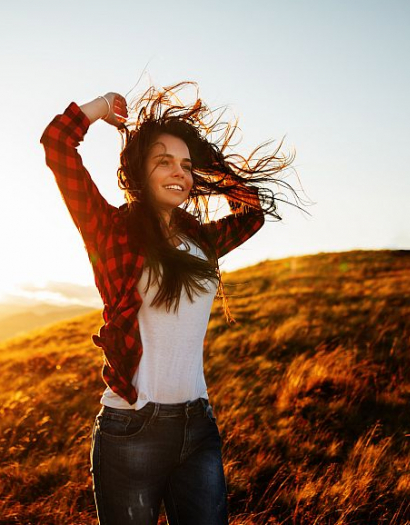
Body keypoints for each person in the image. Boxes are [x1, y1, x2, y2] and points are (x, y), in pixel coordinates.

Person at [40, 81, 299, 525]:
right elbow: (57, 142)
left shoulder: (202, 240)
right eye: (164, 162)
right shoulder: (109, 229)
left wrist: (210, 166)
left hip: (199, 426)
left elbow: (252, 212)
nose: (178, 173)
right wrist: (103, 106)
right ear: (140, 172)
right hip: (132, 429)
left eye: (185, 165)